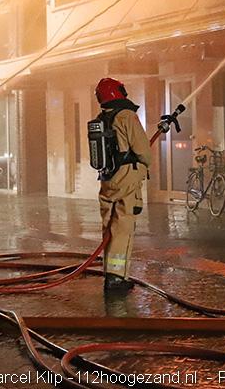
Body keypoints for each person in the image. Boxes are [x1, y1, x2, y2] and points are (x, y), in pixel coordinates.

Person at [94, 77, 151, 293]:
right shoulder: (127, 116)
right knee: (123, 227)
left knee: (109, 227)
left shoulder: (102, 118)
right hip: (127, 178)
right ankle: (117, 278)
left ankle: (110, 273)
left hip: (108, 179)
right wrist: (146, 163)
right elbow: (143, 150)